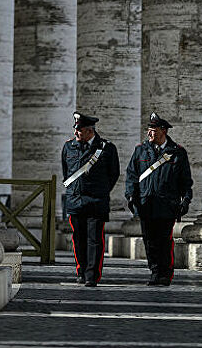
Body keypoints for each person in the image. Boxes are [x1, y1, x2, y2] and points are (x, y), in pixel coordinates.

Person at [125, 112, 193, 286]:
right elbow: (132, 175)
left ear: (163, 131)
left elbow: (185, 181)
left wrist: (185, 200)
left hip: (166, 204)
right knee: (149, 240)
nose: (149, 132)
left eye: (153, 129)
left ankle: (165, 272)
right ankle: (155, 271)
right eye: (149, 129)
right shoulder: (140, 150)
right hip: (146, 203)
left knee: (164, 240)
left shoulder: (177, 153)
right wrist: (131, 195)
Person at [62, 111, 120, 287]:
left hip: (96, 202)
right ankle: (81, 271)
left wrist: (100, 191)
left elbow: (113, 174)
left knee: (95, 240)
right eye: (75, 129)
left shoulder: (107, 148)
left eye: (79, 130)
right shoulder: (68, 147)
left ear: (89, 131)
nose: (75, 133)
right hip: (75, 201)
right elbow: (67, 172)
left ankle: (92, 275)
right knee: (78, 239)